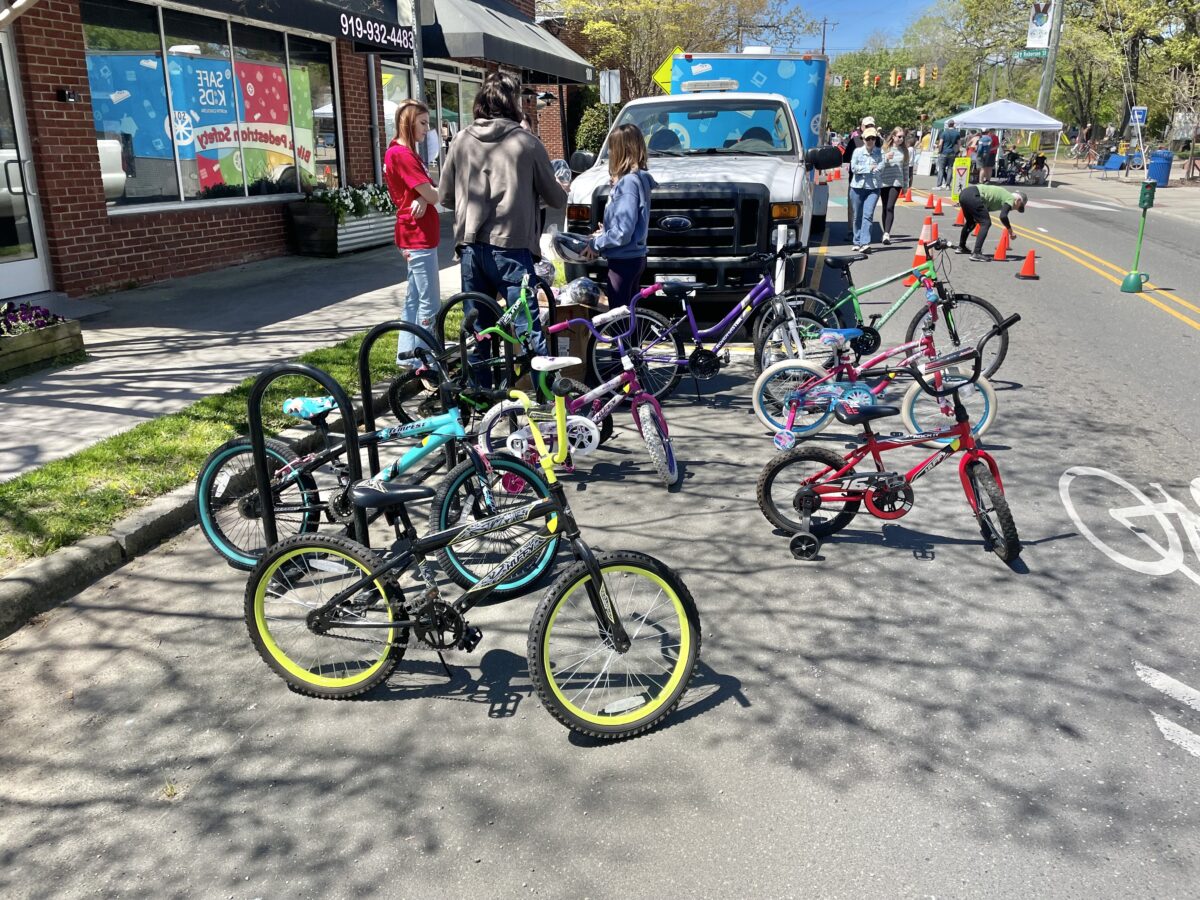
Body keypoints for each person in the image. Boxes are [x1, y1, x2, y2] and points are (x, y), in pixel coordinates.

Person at [439, 72, 568, 338]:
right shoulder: (527, 143)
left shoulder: (461, 141)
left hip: (471, 247)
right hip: (512, 247)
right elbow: (556, 198)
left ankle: (480, 380)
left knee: (478, 331)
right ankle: (538, 380)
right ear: (513, 101)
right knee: (528, 329)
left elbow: (445, 196)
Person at [383, 99, 441, 365]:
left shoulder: (402, 152)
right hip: (418, 236)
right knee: (429, 301)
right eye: (422, 123)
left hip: (416, 234)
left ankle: (408, 355)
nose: (426, 129)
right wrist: (427, 196)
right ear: (408, 121)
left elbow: (423, 192)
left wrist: (423, 197)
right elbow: (434, 192)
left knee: (414, 298)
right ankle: (424, 358)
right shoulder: (403, 155)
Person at [581, 123, 656, 309]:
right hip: (635, 258)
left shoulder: (628, 183)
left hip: (623, 260)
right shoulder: (640, 178)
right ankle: (631, 340)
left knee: (618, 319)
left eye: (612, 148)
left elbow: (623, 232)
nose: (610, 154)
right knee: (630, 317)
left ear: (621, 150)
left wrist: (595, 244)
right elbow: (630, 220)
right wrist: (607, 229)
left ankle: (621, 341)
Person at [955, 184, 1027, 261]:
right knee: (986, 222)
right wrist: (1011, 232)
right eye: (1019, 207)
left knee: (971, 222)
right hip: (974, 195)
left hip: (965, 194)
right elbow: (1003, 216)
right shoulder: (1011, 199)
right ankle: (976, 253)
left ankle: (961, 247)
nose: (1016, 209)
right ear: (1018, 200)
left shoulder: (1005, 194)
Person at [848, 126, 883, 252]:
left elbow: (880, 168)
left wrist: (871, 169)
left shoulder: (880, 152)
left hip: (873, 188)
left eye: (873, 138)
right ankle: (857, 241)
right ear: (863, 139)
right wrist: (869, 168)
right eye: (868, 138)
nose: (871, 141)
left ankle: (865, 243)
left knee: (868, 215)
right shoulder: (857, 152)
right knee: (857, 215)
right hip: (857, 187)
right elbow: (854, 169)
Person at [877, 126, 909, 245]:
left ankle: (886, 233)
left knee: (890, 206)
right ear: (893, 136)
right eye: (899, 136)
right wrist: (885, 158)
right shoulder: (885, 148)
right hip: (884, 181)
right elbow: (878, 164)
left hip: (897, 183)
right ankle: (885, 231)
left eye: (903, 137)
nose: (901, 139)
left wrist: (906, 186)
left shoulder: (905, 151)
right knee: (885, 207)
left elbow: (905, 169)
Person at [936, 119, 961, 188]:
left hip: (944, 152)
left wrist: (939, 151)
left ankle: (939, 184)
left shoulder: (944, 133)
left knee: (941, 169)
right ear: (954, 124)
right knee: (950, 168)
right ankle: (948, 185)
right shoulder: (957, 133)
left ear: (948, 125)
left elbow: (940, 143)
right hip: (952, 153)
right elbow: (959, 144)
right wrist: (958, 151)